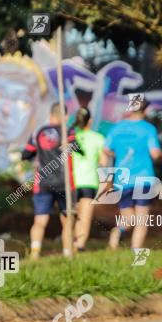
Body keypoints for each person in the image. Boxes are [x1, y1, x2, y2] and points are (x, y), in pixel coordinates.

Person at [100, 98, 162, 250]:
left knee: (128, 218)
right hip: (143, 179)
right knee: (141, 219)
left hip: (122, 179)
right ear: (145, 110)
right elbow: (155, 153)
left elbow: (106, 149)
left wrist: (119, 154)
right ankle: (136, 253)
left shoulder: (117, 127)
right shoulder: (148, 129)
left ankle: (118, 231)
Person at [21, 110, 80, 260]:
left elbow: (25, 155)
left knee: (40, 220)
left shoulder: (38, 132)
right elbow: (75, 147)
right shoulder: (68, 131)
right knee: (67, 219)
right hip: (64, 183)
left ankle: (35, 252)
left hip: (42, 183)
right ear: (65, 116)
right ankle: (67, 254)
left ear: (51, 115)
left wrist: (39, 155)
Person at [71, 108, 105, 251]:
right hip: (89, 182)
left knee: (72, 215)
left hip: (71, 183)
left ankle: (70, 244)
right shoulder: (98, 138)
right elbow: (103, 161)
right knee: (85, 215)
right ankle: (79, 245)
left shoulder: (71, 138)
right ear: (90, 121)